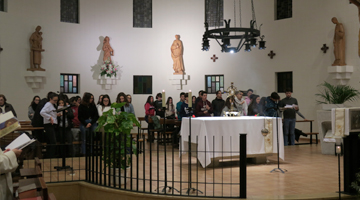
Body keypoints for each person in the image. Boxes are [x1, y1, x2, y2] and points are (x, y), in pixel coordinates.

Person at [40, 92, 61, 158]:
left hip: (52, 124)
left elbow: (51, 113)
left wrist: (56, 115)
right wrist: (50, 117)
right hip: (48, 124)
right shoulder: (48, 104)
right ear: (50, 99)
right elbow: (42, 112)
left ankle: (49, 155)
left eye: (56, 100)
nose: (56, 101)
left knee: (50, 141)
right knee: (53, 141)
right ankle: (50, 156)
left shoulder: (52, 105)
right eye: (54, 100)